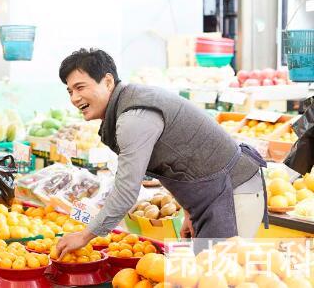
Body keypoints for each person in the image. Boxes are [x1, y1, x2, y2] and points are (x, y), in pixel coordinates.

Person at [55, 48, 268, 258]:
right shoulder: (129, 103)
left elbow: (126, 190)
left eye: (80, 87)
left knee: (220, 276)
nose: (74, 98)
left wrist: (84, 236)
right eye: (70, 91)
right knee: (205, 274)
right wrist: (189, 210)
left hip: (233, 194)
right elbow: (178, 156)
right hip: (214, 194)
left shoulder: (133, 118)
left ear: (108, 81)